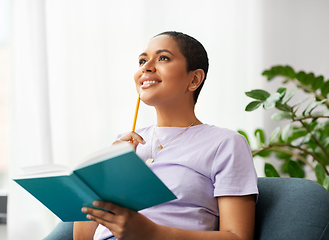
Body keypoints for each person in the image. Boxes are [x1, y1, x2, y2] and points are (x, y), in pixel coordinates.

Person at [73, 31, 258, 240]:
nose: (146, 67)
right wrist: (105, 173)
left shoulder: (225, 143)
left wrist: (152, 233)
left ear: (194, 78)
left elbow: (238, 237)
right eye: (142, 61)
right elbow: (82, 237)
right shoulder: (124, 144)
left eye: (163, 58)